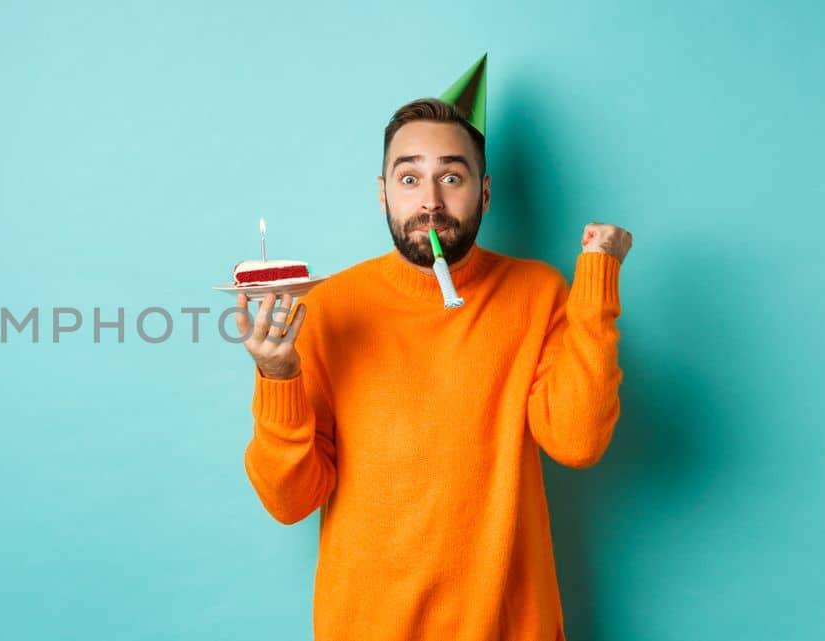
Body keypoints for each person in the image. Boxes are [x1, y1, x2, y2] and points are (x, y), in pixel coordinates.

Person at [234, 88, 635, 639]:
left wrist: (596, 280)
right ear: (382, 195)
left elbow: (578, 440)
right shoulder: (327, 310)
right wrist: (278, 377)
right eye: (408, 178)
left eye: (451, 177)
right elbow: (290, 500)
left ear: (485, 192)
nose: (430, 201)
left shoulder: (538, 294)